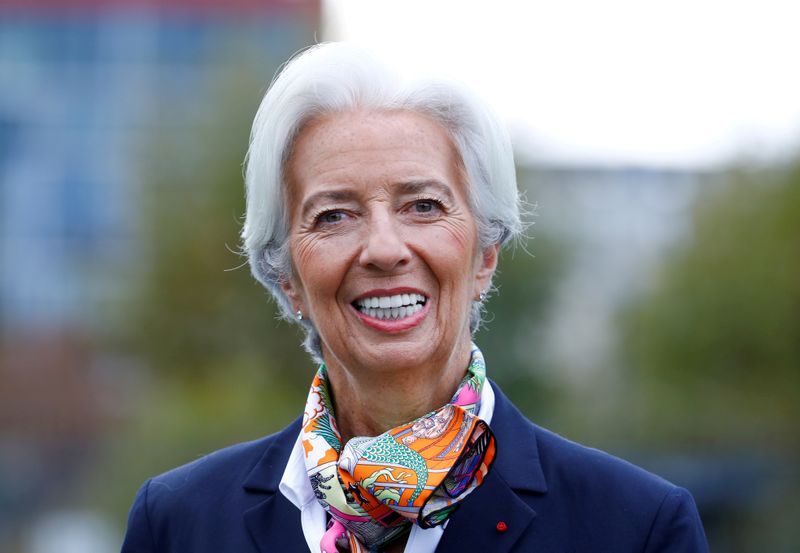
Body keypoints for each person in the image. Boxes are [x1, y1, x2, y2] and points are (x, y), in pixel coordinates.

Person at [121, 43, 708, 553]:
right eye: (334, 215)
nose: (383, 248)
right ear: (287, 277)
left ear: (485, 254)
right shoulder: (180, 524)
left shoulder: (636, 531)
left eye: (423, 206)